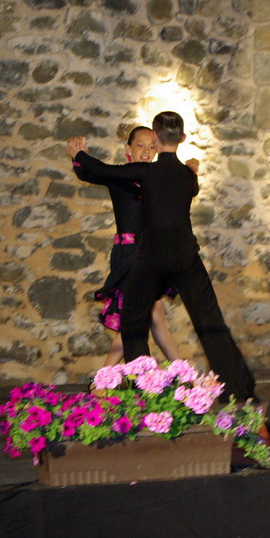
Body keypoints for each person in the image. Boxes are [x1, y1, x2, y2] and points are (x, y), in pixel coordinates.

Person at [65, 111, 256, 401]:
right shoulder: (187, 176)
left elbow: (103, 170)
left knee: (132, 324)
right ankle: (239, 390)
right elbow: (190, 188)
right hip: (185, 256)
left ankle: (146, 391)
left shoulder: (146, 172)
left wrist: (78, 154)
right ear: (183, 138)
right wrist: (191, 170)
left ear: (155, 137)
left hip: (152, 257)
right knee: (210, 321)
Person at [70, 126, 185, 366]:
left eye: (152, 146)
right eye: (140, 145)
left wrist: (190, 169)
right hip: (130, 254)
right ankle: (183, 372)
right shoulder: (121, 177)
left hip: (151, 254)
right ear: (128, 150)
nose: (146, 151)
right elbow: (92, 173)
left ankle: (183, 372)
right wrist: (79, 156)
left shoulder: (156, 177)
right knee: (144, 316)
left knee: (153, 315)